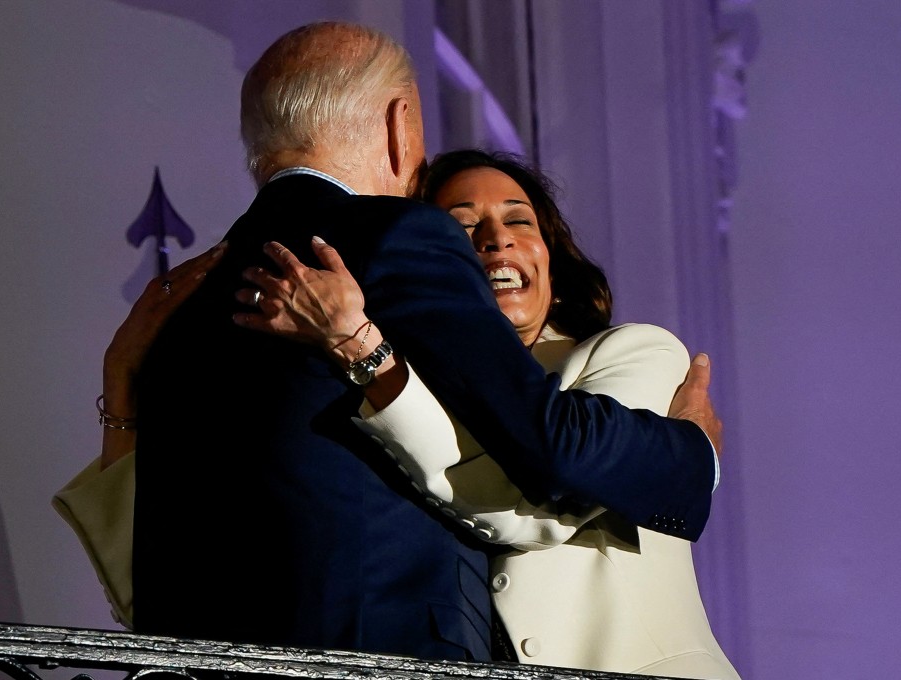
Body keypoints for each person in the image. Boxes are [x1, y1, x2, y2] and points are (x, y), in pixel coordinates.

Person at [73, 20, 720, 662]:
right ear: (399, 126)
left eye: (516, 220)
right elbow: (547, 450)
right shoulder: (395, 237)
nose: (487, 244)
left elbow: (154, 573)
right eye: (460, 222)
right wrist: (693, 453)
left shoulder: (183, 305)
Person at [232, 149, 740, 678]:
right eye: (462, 227)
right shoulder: (400, 390)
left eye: (519, 220)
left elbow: (535, 509)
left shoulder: (638, 351)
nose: (496, 238)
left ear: (553, 263)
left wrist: (365, 353)